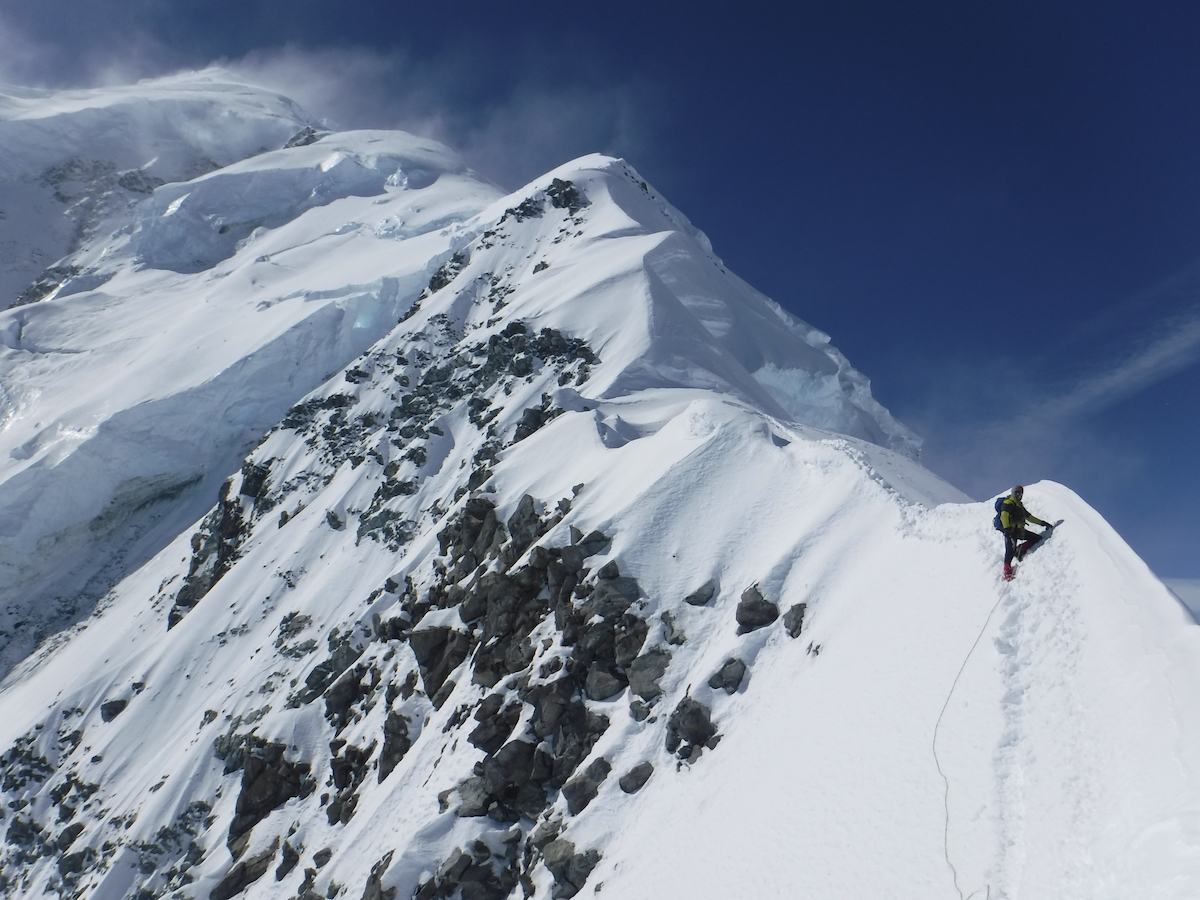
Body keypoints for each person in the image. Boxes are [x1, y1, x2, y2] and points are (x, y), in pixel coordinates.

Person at [999, 485, 1052, 580]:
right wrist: (1007, 529)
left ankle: (1021, 549)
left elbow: (1029, 517)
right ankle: (1007, 571)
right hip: (1010, 531)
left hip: (1019, 531)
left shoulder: (1019, 506)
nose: (1019, 495)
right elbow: (1004, 516)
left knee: (1036, 538)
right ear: (1013, 493)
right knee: (1010, 550)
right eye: (1017, 493)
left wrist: (1042, 523)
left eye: (1021, 493)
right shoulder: (1009, 503)